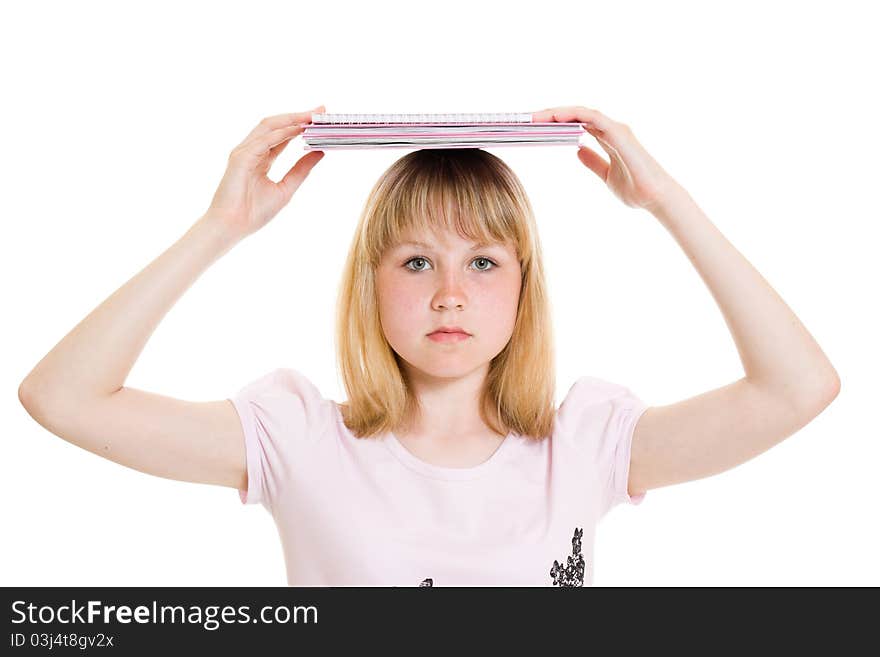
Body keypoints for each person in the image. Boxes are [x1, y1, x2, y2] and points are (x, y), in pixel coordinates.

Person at [18, 104, 841, 586]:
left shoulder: (588, 443)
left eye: (483, 261)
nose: (450, 291)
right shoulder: (296, 437)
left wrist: (664, 200)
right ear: (371, 284)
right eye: (417, 261)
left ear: (524, 286)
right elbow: (62, 397)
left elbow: (799, 387)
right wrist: (221, 226)